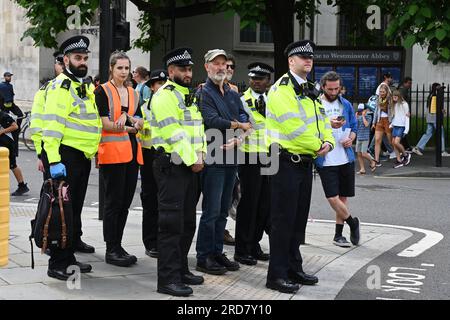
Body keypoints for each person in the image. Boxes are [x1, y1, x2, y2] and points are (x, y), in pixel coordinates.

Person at [265, 40, 334, 293]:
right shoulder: (282, 89)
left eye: (311, 57)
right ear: (290, 61)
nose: (308, 60)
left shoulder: (310, 88)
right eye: (302, 57)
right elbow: (293, 127)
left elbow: (322, 119)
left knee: (298, 220)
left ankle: (294, 267)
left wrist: (328, 140)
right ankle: (277, 275)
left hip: (304, 162)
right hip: (284, 160)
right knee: (283, 220)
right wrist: (319, 145)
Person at [42, 35, 101, 280]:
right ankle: (57, 263)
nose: (83, 62)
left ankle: (69, 257)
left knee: (72, 210)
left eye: (85, 58)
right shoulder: (60, 87)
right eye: (78, 58)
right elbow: (52, 127)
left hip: (80, 157)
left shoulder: (83, 86)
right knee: (60, 212)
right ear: (66, 60)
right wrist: (54, 161)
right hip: (64, 157)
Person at [150, 47, 206, 297]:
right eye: (182, 69)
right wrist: (194, 158)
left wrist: (202, 152)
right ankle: (168, 279)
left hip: (188, 165)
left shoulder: (188, 96)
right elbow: (174, 133)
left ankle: (181, 269)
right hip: (171, 165)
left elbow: (199, 129)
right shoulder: (165, 95)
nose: (187, 72)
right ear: (171, 71)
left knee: (186, 222)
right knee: (171, 224)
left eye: (189, 68)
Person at [195, 49, 251, 276]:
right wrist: (238, 126)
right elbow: (211, 120)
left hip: (232, 157)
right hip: (214, 158)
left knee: (223, 212)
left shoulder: (232, 93)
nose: (221, 67)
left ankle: (217, 251)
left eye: (224, 63)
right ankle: (203, 256)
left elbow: (246, 116)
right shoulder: (204, 92)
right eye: (215, 64)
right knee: (211, 210)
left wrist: (239, 137)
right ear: (207, 67)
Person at [95, 51, 144, 267]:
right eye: (120, 68)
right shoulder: (102, 91)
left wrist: (134, 120)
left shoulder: (134, 93)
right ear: (111, 69)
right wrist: (129, 127)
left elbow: (141, 119)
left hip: (132, 153)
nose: (124, 72)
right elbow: (105, 124)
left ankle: (118, 245)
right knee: (113, 202)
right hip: (113, 152)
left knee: (125, 201)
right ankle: (111, 248)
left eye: (127, 68)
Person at [234, 62, 273, 266]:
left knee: (265, 204)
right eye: (253, 78)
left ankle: (255, 244)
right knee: (249, 203)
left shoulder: (272, 99)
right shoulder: (242, 99)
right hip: (249, 155)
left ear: (268, 81)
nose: (256, 82)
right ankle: (242, 248)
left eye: (261, 79)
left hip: (270, 154)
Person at [316, 71, 361, 248]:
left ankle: (338, 235)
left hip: (345, 156)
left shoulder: (346, 104)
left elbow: (354, 125)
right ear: (323, 87)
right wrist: (329, 124)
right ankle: (353, 223)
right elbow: (312, 126)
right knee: (332, 197)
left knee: (343, 197)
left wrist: (351, 137)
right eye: (330, 89)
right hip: (325, 157)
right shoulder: (316, 104)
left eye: (337, 88)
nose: (334, 92)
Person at [140, 69, 168, 259]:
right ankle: (151, 242)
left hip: (166, 158)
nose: (162, 88)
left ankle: (163, 240)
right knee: (150, 202)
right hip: (149, 158)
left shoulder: (171, 105)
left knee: (165, 203)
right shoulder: (143, 108)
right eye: (158, 84)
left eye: (165, 84)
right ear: (151, 87)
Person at [30, 51, 66, 180]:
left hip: (73, 152)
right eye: (59, 63)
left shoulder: (79, 88)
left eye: (65, 63)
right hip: (51, 153)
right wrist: (41, 155)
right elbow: (36, 124)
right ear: (55, 65)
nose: (63, 66)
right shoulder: (46, 90)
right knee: (53, 196)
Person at [223, 53, 239, 246]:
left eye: (231, 67)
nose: (228, 70)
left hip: (234, 147)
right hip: (216, 146)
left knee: (231, 194)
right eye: (225, 66)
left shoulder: (234, 90)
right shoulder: (204, 89)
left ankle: (223, 228)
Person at [412, 83, 450, 157]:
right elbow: (434, 108)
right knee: (440, 133)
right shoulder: (435, 96)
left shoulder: (431, 95)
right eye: (439, 88)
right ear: (436, 88)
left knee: (428, 133)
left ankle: (418, 147)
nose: (441, 90)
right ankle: (442, 150)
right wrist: (441, 111)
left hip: (430, 117)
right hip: (434, 117)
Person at [0, 110, 29, 196]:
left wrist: (2, 131)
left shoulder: (3, 116)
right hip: (2, 144)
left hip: (8, 144)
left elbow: (15, 126)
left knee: (13, 165)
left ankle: (22, 186)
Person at [0, 71, 24, 157]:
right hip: (4, 108)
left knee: (21, 115)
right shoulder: (1, 86)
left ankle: (17, 129)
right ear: (4, 77)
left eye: (10, 76)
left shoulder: (10, 86)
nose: (9, 77)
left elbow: (11, 97)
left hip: (10, 106)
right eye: (7, 76)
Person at [372, 83, 394, 166]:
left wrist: (383, 108)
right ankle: (376, 160)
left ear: (387, 91)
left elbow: (392, 112)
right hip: (379, 120)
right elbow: (376, 111)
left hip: (388, 121)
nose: (381, 93)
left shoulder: (390, 99)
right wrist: (374, 122)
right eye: (380, 92)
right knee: (377, 140)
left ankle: (399, 154)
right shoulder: (378, 99)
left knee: (390, 140)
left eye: (383, 92)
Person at [390, 90, 411, 168]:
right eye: (393, 97)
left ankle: (405, 154)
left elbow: (407, 117)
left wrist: (406, 129)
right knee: (393, 143)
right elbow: (395, 116)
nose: (394, 98)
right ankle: (399, 160)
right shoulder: (395, 105)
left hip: (401, 126)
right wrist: (391, 124)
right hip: (395, 125)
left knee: (396, 142)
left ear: (399, 97)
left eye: (395, 97)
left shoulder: (404, 104)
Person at [355, 103, 376, 174]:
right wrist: (356, 118)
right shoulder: (358, 116)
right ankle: (362, 169)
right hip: (359, 137)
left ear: (365, 110)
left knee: (364, 153)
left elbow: (366, 124)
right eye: (359, 111)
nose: (360, 112)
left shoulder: (368, 117)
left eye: (361, 111)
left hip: (365, 137)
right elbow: (356, 126)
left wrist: (363, 116)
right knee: (359, 154)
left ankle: (372, 161)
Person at [397, 77, 413, 151]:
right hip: (403, 114)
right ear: (405, 83)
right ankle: (405, 146)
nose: (410, 85)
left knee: (403, 129)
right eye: (409, 83)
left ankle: (406, 146)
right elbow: (402, 102)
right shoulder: (403, 90)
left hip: (403, 113)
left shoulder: (403, 90)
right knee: (404, 129)